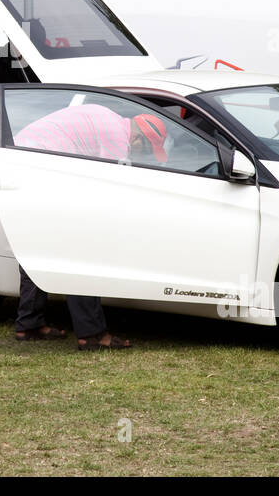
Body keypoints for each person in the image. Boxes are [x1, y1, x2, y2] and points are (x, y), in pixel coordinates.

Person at [12, 103, 169, 350]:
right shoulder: (117, 137)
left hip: (22, 167)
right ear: (138, 137)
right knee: (82, 252)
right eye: (147, 150)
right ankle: (93, 334)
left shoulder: (109, 119)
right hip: (39, 170)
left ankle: (28, 324)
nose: (142, 156)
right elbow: (105, 189)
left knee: (38, 248)